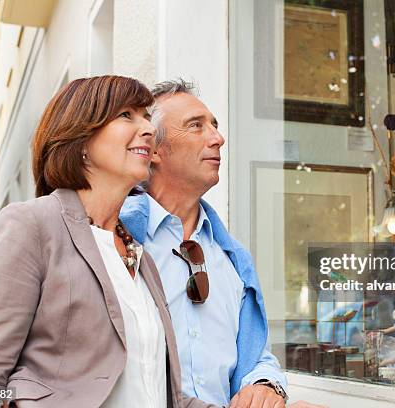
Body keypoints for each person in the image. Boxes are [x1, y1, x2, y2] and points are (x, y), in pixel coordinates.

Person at [0, 76, 217, 408]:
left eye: (146, 116)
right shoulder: (30, 226)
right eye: (126, 115)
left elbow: (159, 395)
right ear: (81, 136)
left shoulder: (138, 254)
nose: (149, 129)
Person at [120, 79, 289, 408]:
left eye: (214, 125)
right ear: (153, 149)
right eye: (195, 126)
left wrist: (266, 384)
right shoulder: (117, 241)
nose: (218, 138)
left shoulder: (233, 259)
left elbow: (254, 357)